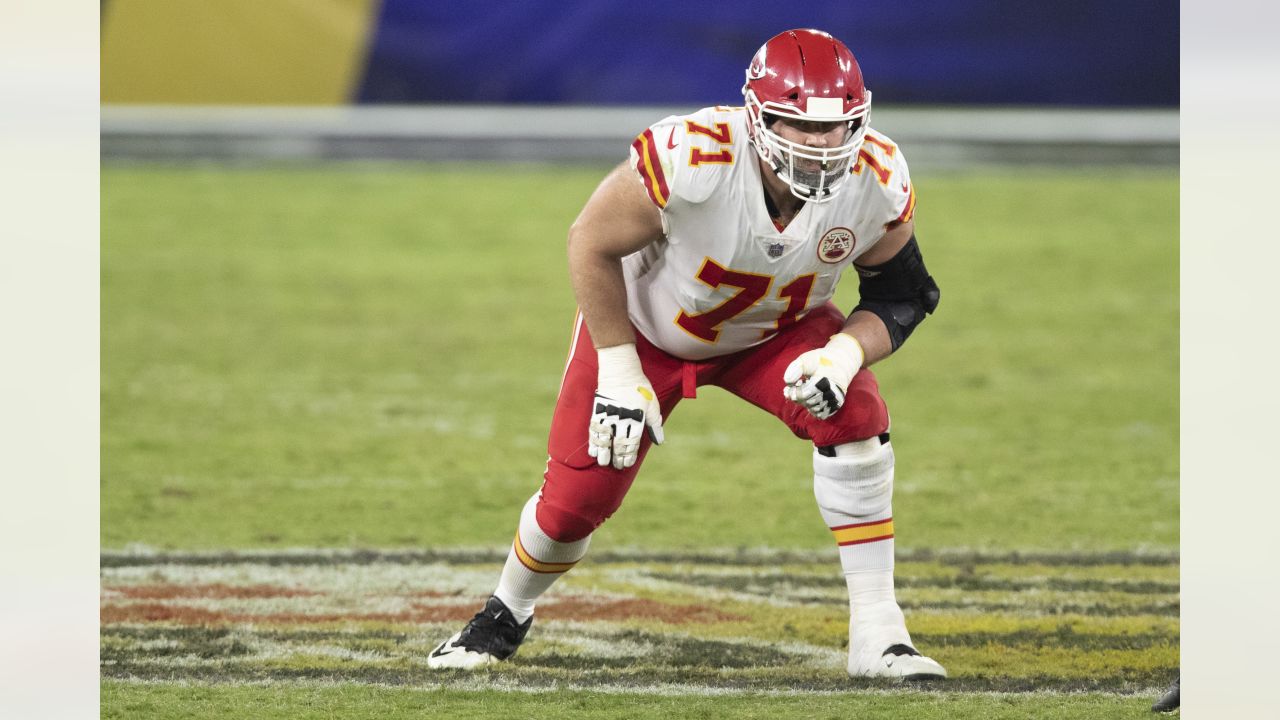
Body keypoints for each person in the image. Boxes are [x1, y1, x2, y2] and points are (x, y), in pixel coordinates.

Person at [427, 28, 945, 680]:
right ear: (758, 118)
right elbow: (590, 242)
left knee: (856, 414)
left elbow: (903, 295)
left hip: (774, 333)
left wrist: (843, 355)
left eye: (838, 128)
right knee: (573, 505)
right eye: (798, 126)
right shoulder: (694, 157)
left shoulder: (874, 177)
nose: (822, 146)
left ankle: (879, 631)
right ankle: (505, 613)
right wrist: (618, 370)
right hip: (646, 333)